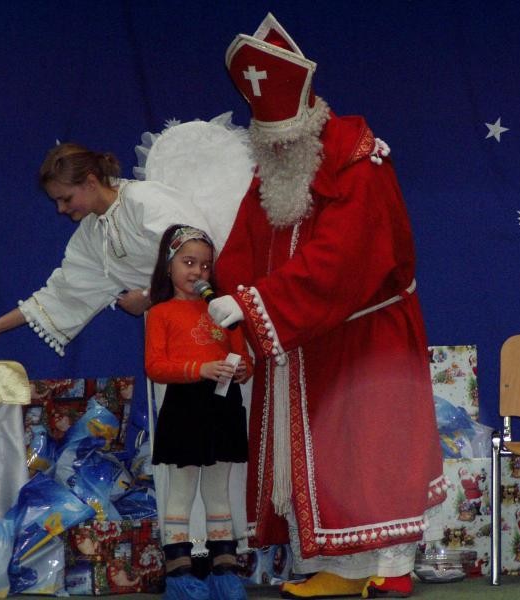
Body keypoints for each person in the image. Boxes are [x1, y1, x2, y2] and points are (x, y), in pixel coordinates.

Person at [207, 14, 447, 599]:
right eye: (269, 142)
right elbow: (244, 246)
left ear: (312, 120)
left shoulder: (359, 162)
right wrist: (225, 293)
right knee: (328, 462)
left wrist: (256, 304)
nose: (278, 150)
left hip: (366, 336)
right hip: (305, 337)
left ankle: (391, 567)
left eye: (287, 140)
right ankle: (345, 567)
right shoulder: (274, 173)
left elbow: (345, 258)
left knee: (371, 451)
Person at [0, 142, 212, 355]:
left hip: (210, 315)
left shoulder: (143, 200)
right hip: (171, 330)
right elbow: (63, 293)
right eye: (57, 201)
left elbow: (197, 253)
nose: (61, 209)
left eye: (66, 198)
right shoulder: (92, 235)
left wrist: (149, 296)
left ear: (91, 182)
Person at [145, 224, 254, 600]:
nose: (198, 272)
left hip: (223, 406)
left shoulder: (223, 310)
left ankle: (225, 570)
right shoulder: (160, 313)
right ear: (168, 266)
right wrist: (200, 369)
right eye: (188, 262)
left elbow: (243, 357)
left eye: (205, 265)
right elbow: (155, 366)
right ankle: (179, 573)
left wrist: (242, 369)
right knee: (181, 491)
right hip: (185, 408)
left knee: (218, 492)